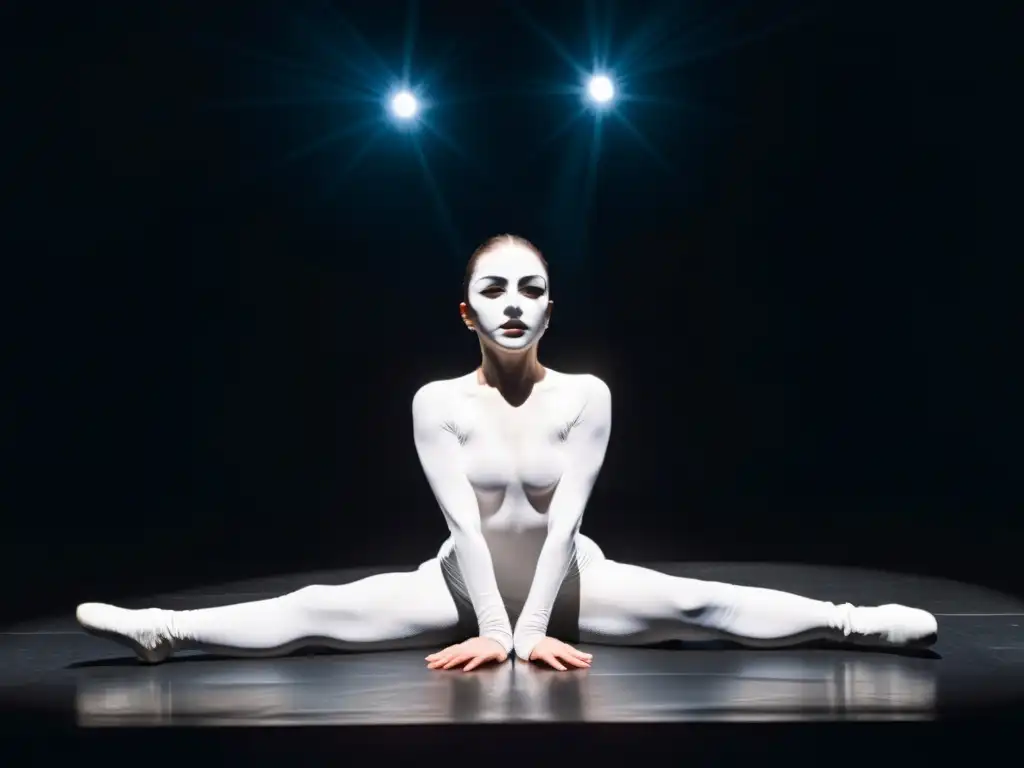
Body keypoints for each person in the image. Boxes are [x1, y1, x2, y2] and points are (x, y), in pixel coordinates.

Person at [77, 234, 938, 671]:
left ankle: (851, 625)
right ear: (467, 313)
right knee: (313, 608)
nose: (513, 304)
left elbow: (567, 522)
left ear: (551, 309)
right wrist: (490, 625)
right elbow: (461, 521)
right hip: (456, 583)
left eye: (531, 290)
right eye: (494, 290)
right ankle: (167, 630)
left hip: (572, 584)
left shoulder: (587, 395)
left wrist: (527, 636)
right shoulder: (437, 404)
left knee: (705, 605)